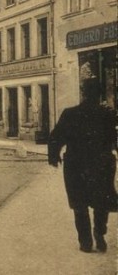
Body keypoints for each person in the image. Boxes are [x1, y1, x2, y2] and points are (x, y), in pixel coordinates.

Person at [48, 79, 117, 253]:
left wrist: (54, 156)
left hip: (76, 165)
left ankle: (85, 242)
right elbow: (115, 140)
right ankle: (99, 233)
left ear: (83, 93)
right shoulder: (107, 114)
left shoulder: (70, 114)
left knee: (79, 203)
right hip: (101, 164)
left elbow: (56, 136)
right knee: (101, 201)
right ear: (99, 94)